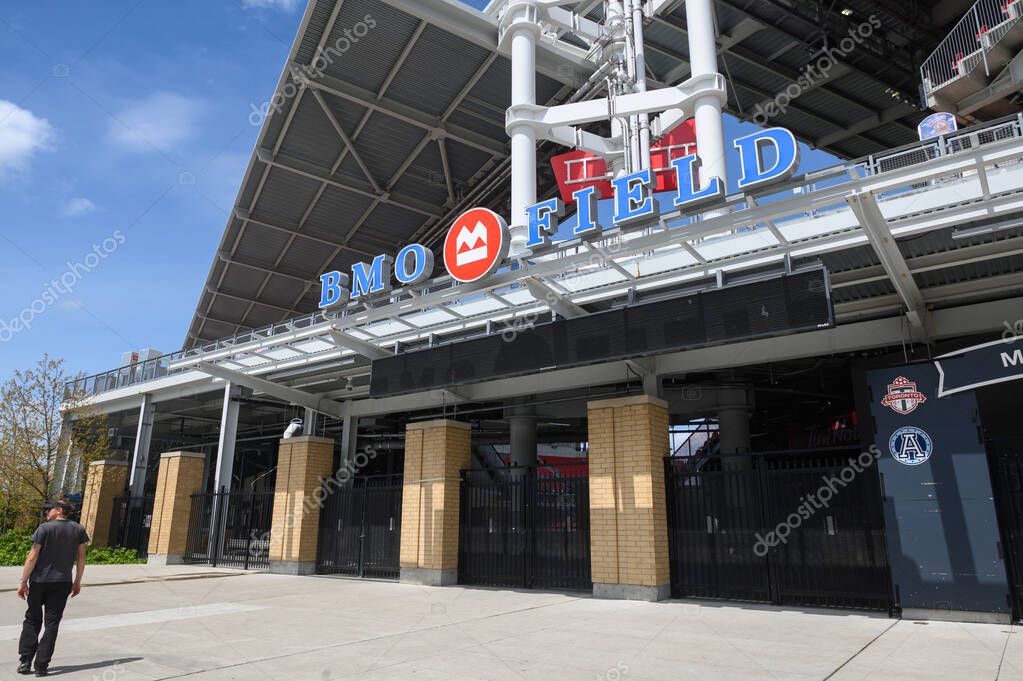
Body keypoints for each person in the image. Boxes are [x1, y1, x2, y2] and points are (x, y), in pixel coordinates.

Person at [16, 500, 89, 677]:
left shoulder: (44, 529)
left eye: (48, 510)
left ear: (58, 510)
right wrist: (77, 581)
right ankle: (41, 666)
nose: (46, 513)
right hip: (63, 582)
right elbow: (81, 558)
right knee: (52, 623)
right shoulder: (78, 530)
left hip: (39, 581)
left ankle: (25, 661)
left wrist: (23, 581)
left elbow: (32, 557)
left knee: (33, 619)